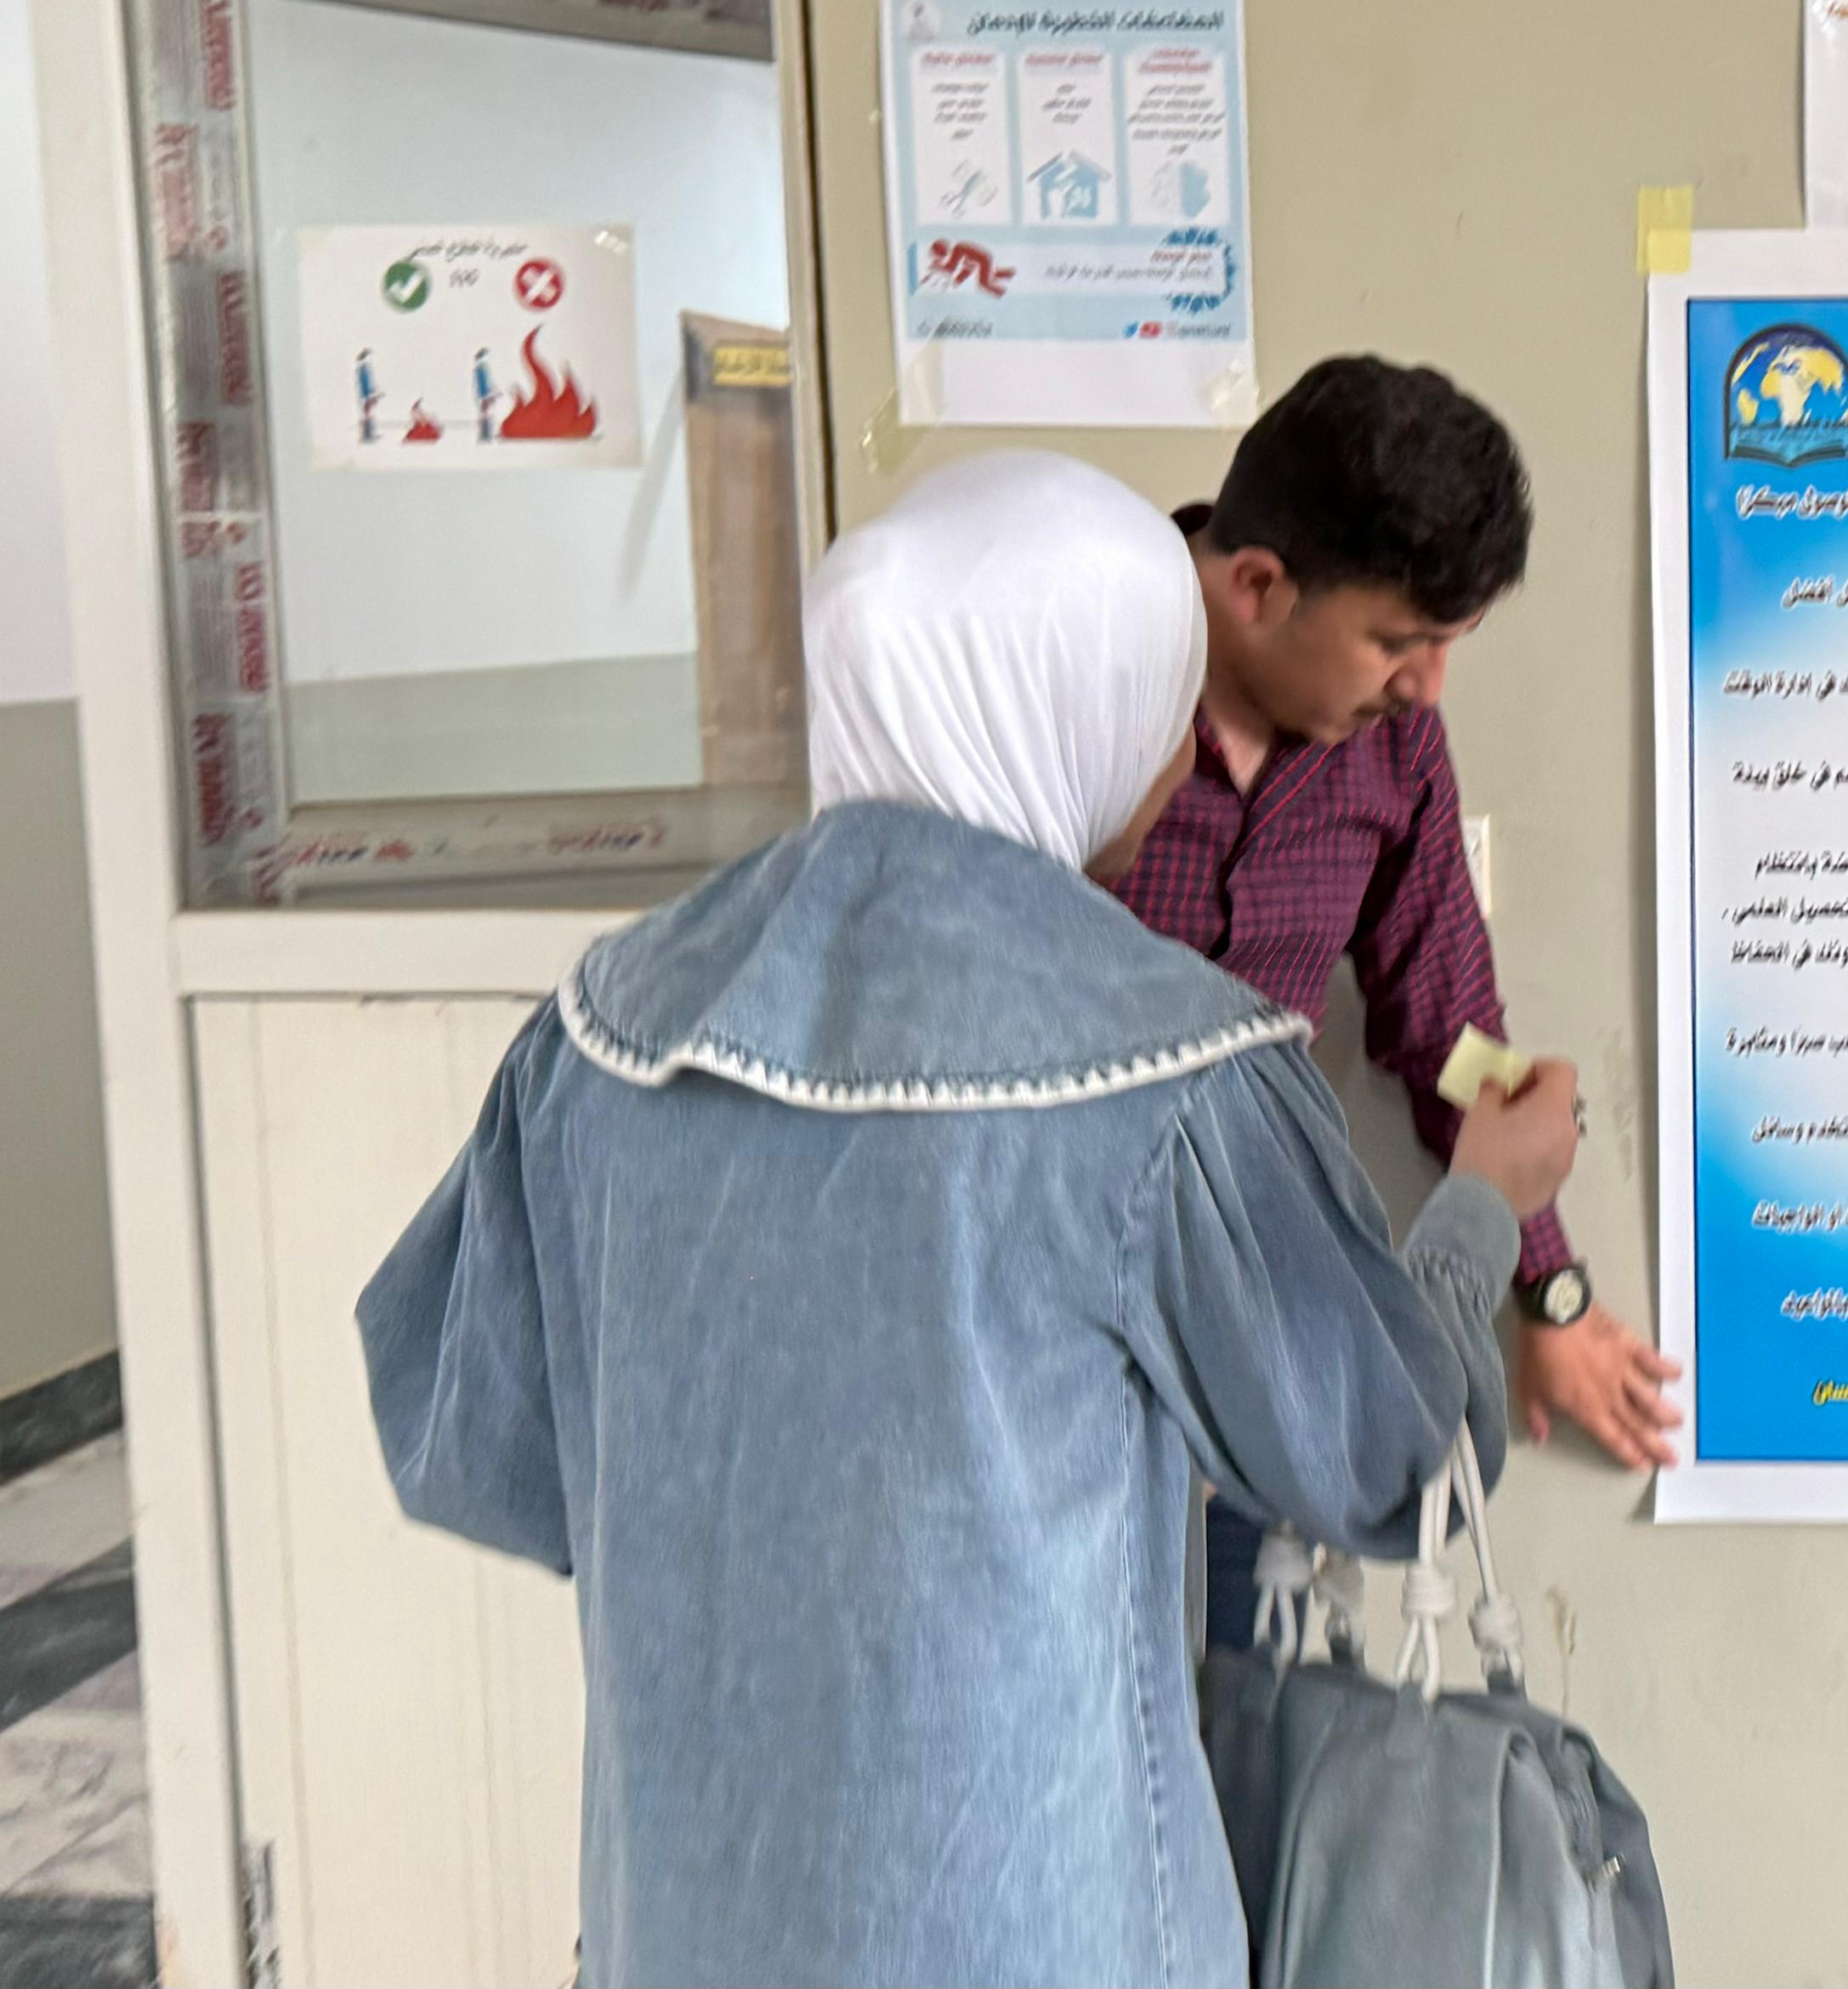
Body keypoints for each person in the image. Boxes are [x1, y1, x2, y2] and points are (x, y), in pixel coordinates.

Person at [354, 450, 1582, 1986]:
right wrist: (1485, 1207)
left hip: (682, 1922)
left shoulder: (604, 1025)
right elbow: (1396, 1464)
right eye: (1158, 705)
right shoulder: (1170, 1067)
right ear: (1076, 705)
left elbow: (468, 1448)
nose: (1169, 761)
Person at [1102, 354, 1680, 1649]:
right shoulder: (1081, 678)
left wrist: (1548, 1287)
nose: (1427, 687)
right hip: (1064, 1364)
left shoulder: (1391, 746)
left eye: (1448, 643)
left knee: (1248, 1732)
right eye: (1399, 641)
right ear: (1258, 588)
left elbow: (1446, 1029)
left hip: (1257, 1370)